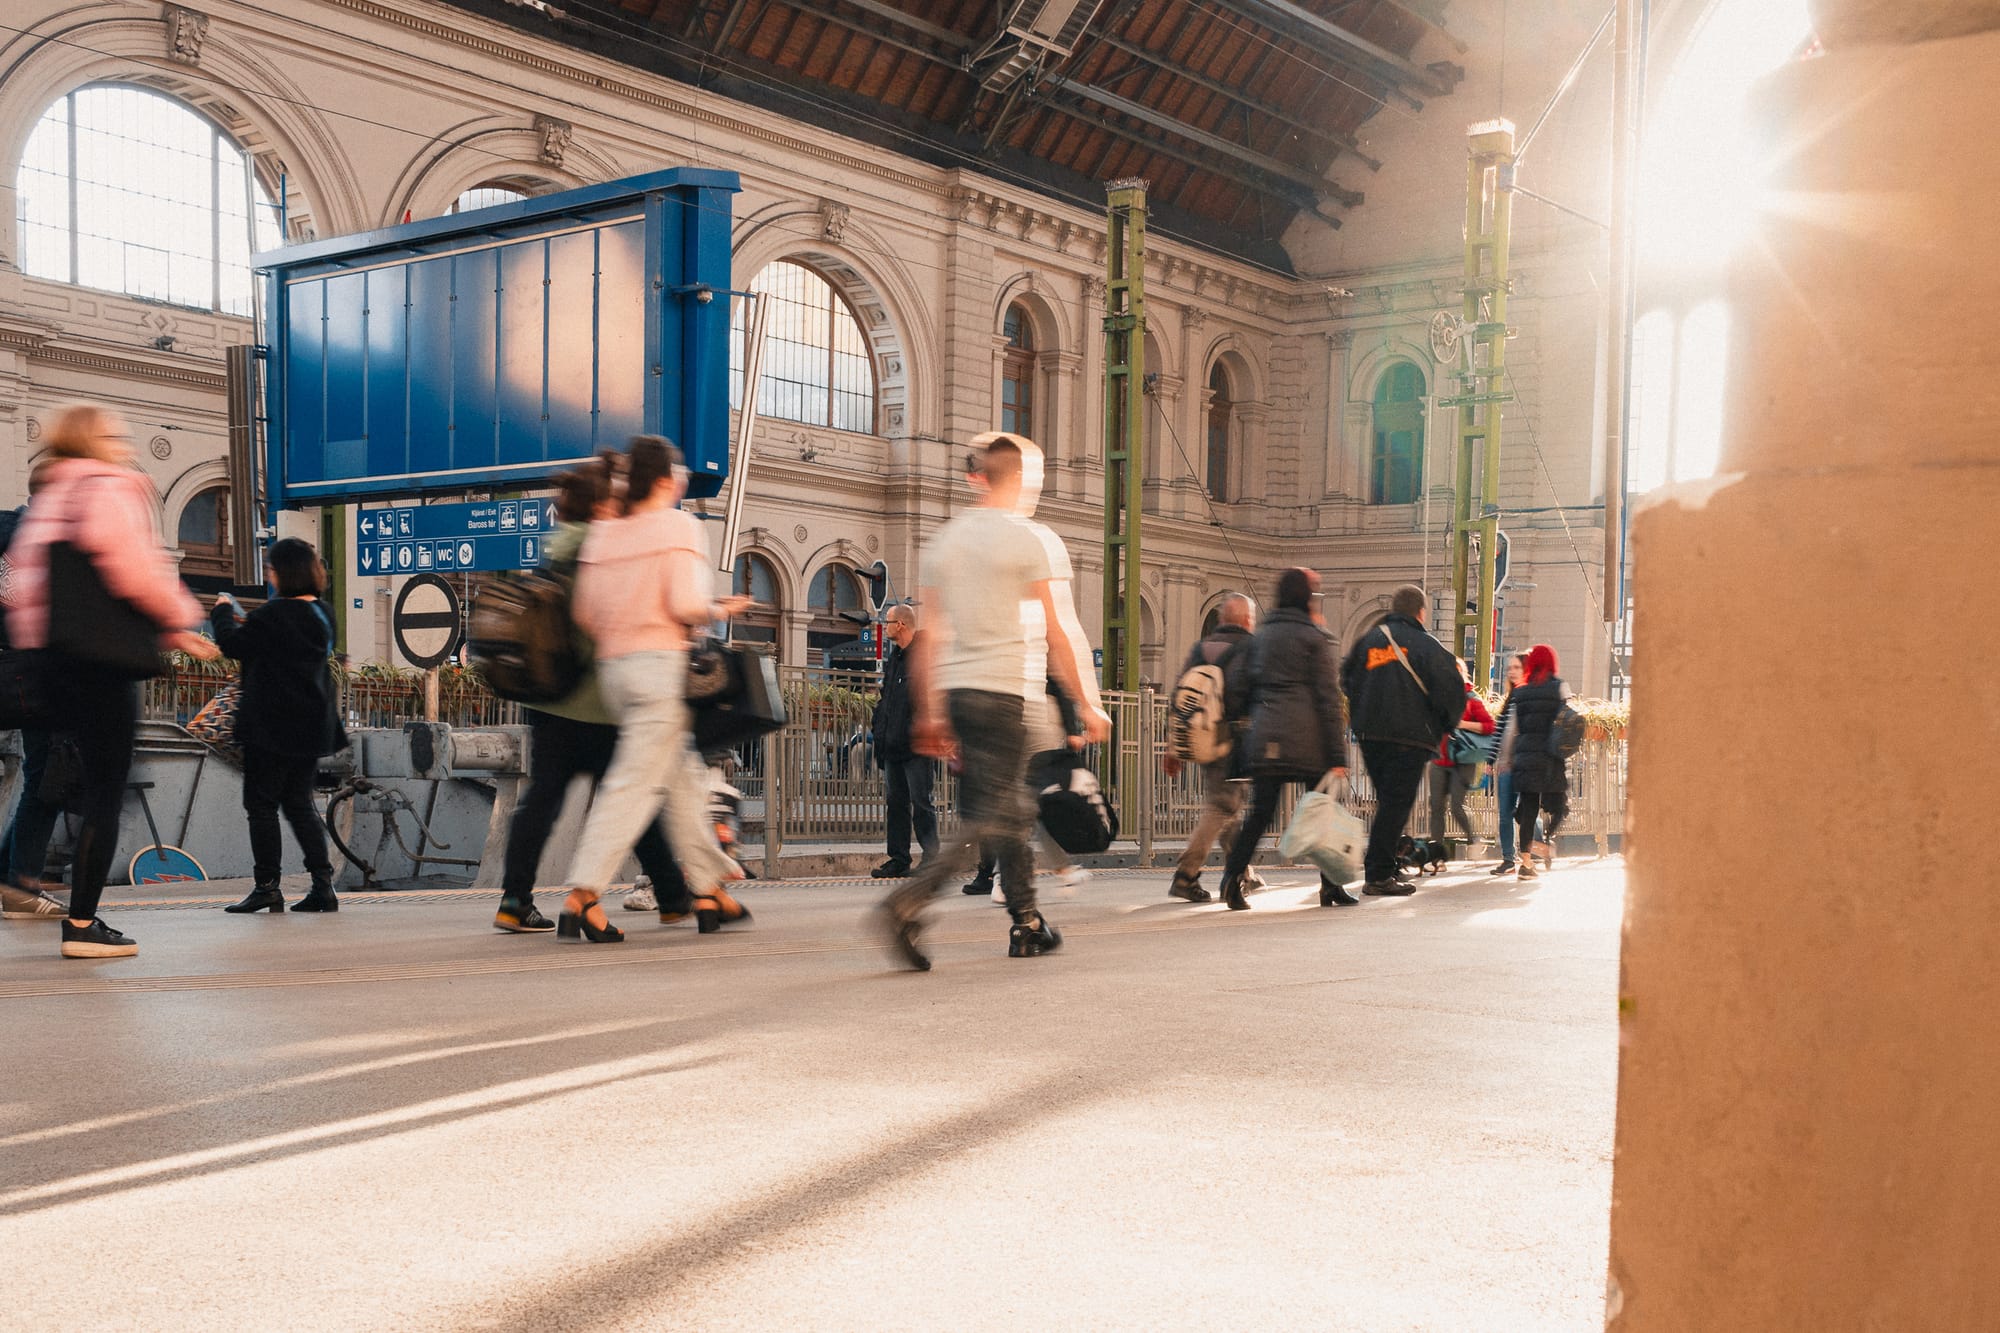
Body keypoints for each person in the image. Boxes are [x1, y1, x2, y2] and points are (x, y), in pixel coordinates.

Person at [876, 431, 1109, 970]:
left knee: (1009, 810)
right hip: (1009, 693)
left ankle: (1027, 924)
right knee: (994, 812)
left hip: (960, 694)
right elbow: (1061, 631)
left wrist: (932, 710)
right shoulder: (1033, 538)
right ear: (1024, 479)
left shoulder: (945, 542)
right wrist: (1088, 701)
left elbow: (929, 636)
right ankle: (909, 901)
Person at [4, 403, 219, 958]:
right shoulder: (111, 485)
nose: (122, 441)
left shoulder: (44, 505)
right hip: (102, 666)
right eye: (111, 432)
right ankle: (81, 926)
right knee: (106, 791)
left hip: (48, 666)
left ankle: (18, 875)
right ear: (93, 440)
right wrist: (179, 622)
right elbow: (136, 568)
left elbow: (21, 594)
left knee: (44, 781)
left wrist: (36, 655)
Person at [495, 460, 710, 934]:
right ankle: (670, 896)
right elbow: (601, 623)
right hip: (597, 703)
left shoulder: (554, 551)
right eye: (614, 497)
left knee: (544, 799)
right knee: (639, 796)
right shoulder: (598, 547)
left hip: (549, 701)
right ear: (600, 505)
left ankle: (514, 898)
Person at [557, 437, 752, 942]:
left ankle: (710, 891)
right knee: (633, 786)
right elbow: (687, 603)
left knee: (681, 777)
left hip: (615, 671)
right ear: (666, 479)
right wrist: (720, 609)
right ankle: (583, 893)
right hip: (659, 669)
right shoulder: (679, 526)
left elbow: (585, 614)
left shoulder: (604, 534)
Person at [211, 538, 346, 914]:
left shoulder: (271, 615)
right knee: (300, 806)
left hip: (270, 726)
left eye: (271, 568)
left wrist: (222, 612)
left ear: (284, 572)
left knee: (261, 806)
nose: (269, 575)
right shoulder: (324, 614)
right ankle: (323, 886)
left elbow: (232, 646)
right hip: (311, 727)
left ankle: (267, 886)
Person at [1215, 567, 1353, 910]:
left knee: (1260, 813)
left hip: (1267, 736)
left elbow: (1237, 688)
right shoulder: (1313, 637)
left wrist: (1248, 720)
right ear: (1306, 597)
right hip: (1310, 741)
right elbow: (1327, 697)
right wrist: (1338, 755)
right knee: (1324, 809)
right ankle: (1331, 886)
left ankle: (1231, 881)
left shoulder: (1260, 637)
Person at [1340, 584, 1465, 897]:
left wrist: (1364, 712)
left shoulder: (1367, 641)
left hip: (1369, 735)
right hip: (1409, 737)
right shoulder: (1427, 646)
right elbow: (1451, 692)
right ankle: (1379, 874)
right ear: (1421, 612)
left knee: (1388, 803)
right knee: (1396, 804)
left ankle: (1388, 863)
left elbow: (1347, 680)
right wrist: (1443, 724)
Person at [0, 463, 68, 922]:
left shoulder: (5, 527)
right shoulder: (46, 538)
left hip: (9, 668)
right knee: (50, 779)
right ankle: (21, 883)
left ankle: (11, 878)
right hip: (40, 671)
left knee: (42, 777)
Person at [964, 674, 1090, 903]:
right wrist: (1073, 727)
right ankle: (1019, 876)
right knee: (1036, 801)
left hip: (1008, 710)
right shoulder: (1043, 641)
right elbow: (1059, 676)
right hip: (1040, 712)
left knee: (1017, 798)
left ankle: (1007, 878)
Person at [1165, 593, 1257, 903]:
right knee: (1222, 807)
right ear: (1247, 620)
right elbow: (1253, 696)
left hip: (1200, 736)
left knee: (1227, 806)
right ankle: (1186, 874)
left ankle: (1243, 873)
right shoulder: (1249, 648)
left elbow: (1181, 695)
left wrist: (1173, 747)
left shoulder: (1201, 648)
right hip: (1232, 738)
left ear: (1221, 620)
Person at [870, 602, 937, 880]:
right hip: (893, 744)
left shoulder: (923, 657)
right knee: (896, 803)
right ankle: (899, 858)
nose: (884, 627)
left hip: (916, 744)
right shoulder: (894, 658)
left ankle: (932, 859)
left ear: (901, 625)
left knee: (921, 802)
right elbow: (888, 699)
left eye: (888, 622)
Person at [1506, 643, 1571, 880]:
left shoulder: (1520, 692)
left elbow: (1514, 728)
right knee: (1561, 806)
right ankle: (1545, 842)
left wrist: (1509, 757)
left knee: (1528, 810)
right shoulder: (1560, 687)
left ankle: (1526, 864)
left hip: (1525, 756)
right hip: (1550, 757)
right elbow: (1569, 719)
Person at [1428, 658, 1496, 856]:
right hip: (1439, 759)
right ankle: (1436, 855)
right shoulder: (1437, 697)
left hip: (1463, 759)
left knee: (1457, 806)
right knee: (1436, 807)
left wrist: (1464, 724)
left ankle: (1473, 838)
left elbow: (1490, 726)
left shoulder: (1471, 698)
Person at [1487, 653, 1542, 876]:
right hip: (1507, 766)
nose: (1511, 671)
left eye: (1516, 667)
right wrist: (1492, 759)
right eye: (1509, 667)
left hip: (1523, 764)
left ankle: (1533, 852)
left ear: (1526, 669)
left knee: (1527, 811)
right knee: (1506, 813)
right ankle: (1509, 858)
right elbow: (1501, 731)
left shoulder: (1528, 696)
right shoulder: (1512, 697)